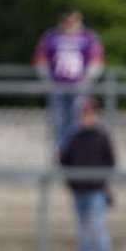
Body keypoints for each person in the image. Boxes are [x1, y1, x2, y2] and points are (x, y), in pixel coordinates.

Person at [59, 99, 116, 251]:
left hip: (96, 190)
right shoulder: (74, 137)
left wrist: (100, 181)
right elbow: (65, 160)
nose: (86, 118)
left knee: (98, 226)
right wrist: (72, 182)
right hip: (78, 190)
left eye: (89, 114)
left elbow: (110, 161)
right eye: (83, 114)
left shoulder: (101, 136)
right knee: (82, 227)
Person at [34, 8, 104, 150]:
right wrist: (47, 80)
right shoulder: (51, 36)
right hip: (57, 86)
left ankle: (74, 151)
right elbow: (41, 58)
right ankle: (60, 152)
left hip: (79, 86)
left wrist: (87, 80)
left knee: (77, 120)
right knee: (58, 120)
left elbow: (96, 60)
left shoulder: (88, 37)